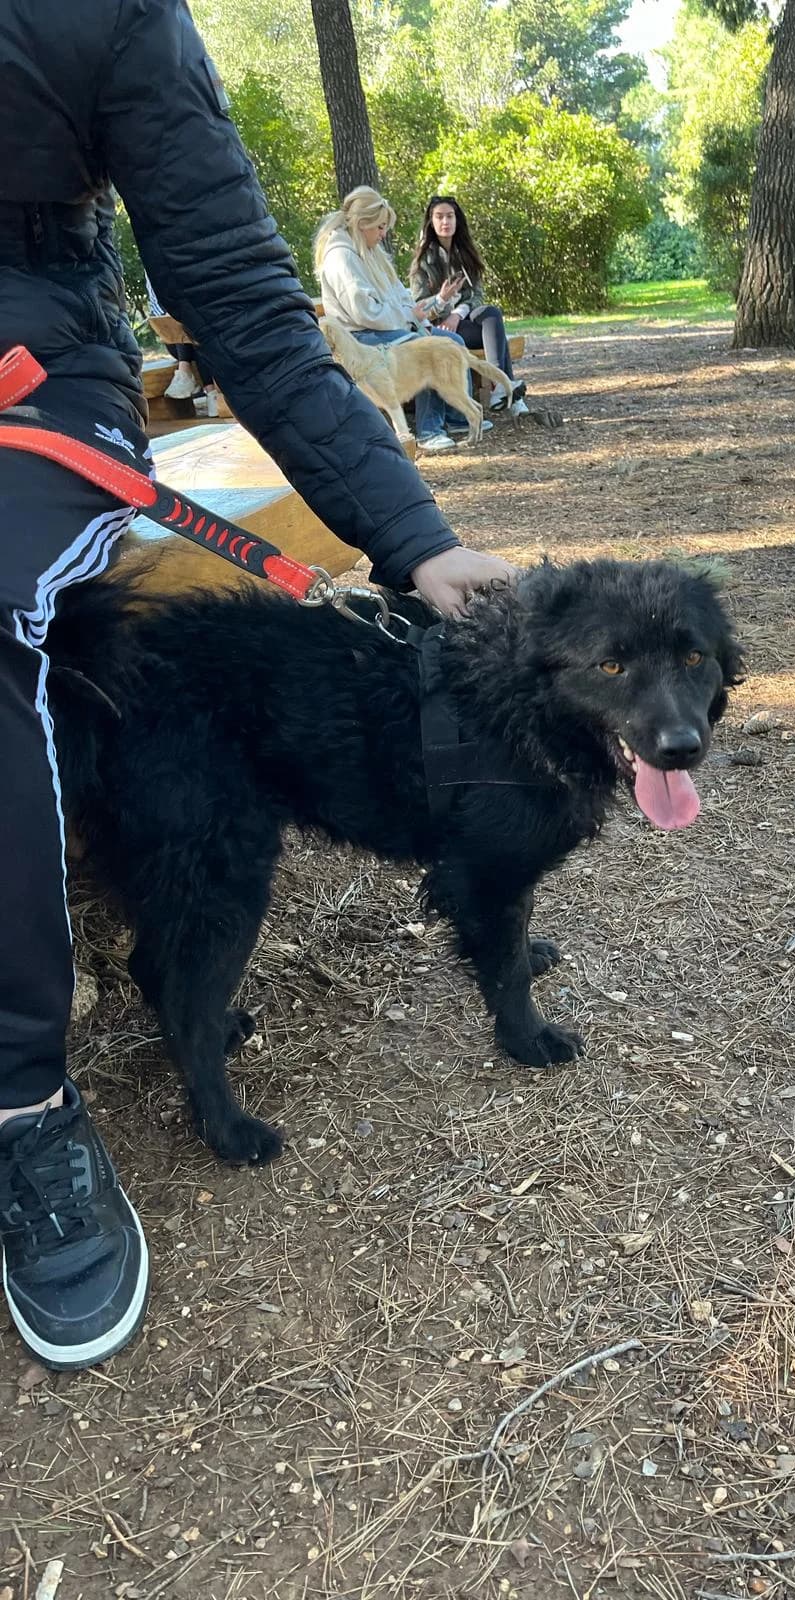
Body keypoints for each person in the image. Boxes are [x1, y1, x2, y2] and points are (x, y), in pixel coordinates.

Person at [0, 0, 515, 1373]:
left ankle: (21, 1104)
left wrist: (415, 541)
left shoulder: (103, 21)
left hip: (32, 363)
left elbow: (245, 306)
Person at [315, 188, 489, 453]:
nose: (383, 234)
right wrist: (407, 317)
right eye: (380, 227)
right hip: (362, 336)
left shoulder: (369, 250)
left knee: (450, 340)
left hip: (383, 327)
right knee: (428, 345)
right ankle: (429, 429)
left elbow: (397, 293)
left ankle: (456, 415)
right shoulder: (341, 256)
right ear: (363, 223)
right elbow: (365, 312)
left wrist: (414, 310)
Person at [410, 196, 530, 418]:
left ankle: (498, 385)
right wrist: (442, 299)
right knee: (498, 338)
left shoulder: (466, 253)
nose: (445, 222)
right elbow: (419, 307)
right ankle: (508, 393)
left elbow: (477, 295)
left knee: (492, 314)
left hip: (461, 321)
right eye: (439, 217)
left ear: (457, 220)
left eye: (450, 216)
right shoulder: (422, 262)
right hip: (440, 328)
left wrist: (457, 314)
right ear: (431, 222)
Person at [145, 275, 219, 416]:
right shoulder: (153, 271)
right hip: (176, 341)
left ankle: (186, 375)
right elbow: (160, 314)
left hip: (196, 340)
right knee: (183, 317)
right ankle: (210, 393)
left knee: (195, 326)